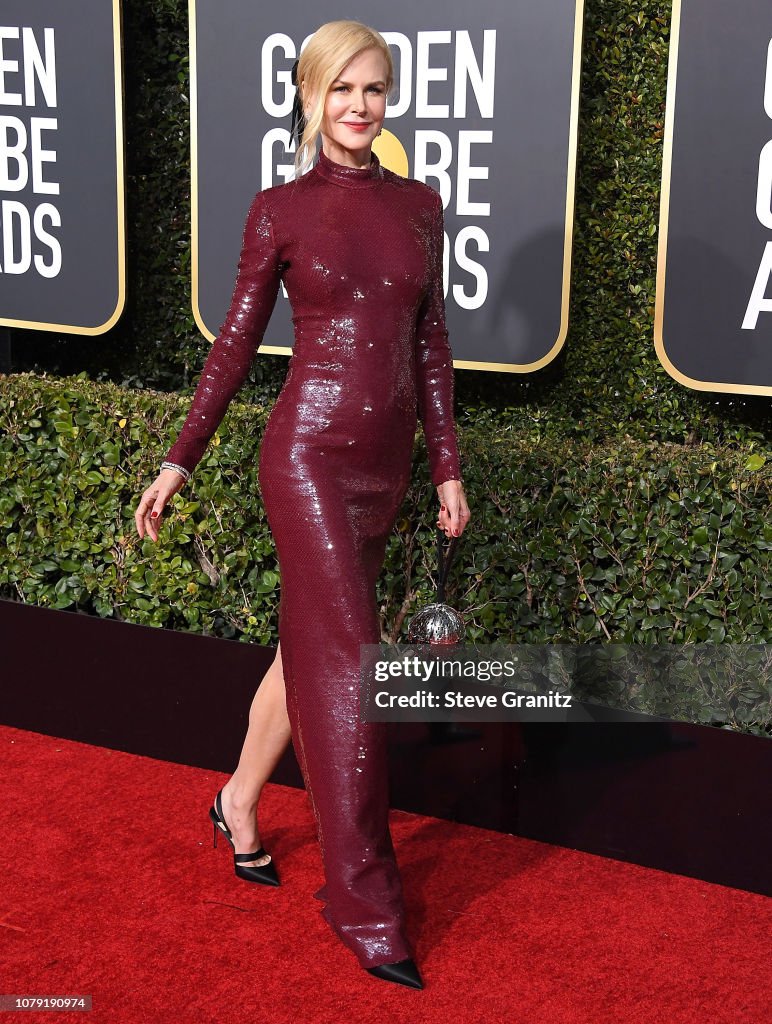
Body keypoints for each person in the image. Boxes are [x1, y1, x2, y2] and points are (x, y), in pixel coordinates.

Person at [134, 19, 471, 990]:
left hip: (387, 468)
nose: (359, 106)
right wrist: (181, 457)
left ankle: (239, 801)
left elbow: (430, 343)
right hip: (308, 459)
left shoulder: (419, 205)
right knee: (347, 667)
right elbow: (235, 345)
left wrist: (445, 465)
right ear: (311, 96)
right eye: (342, 90)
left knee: (309, 651)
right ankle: (368, 905)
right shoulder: (279, 207)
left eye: (374, 89)